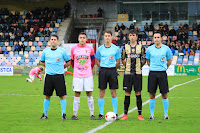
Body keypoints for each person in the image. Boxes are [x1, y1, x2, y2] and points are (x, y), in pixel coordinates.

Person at [39, 34, 71, 120]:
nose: (53, 41)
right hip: (49, 76)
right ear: (50, 41)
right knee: (47, 96)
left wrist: (62, 68)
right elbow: (41, 62)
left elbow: (68, 62)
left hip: (59, 76)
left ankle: (63, 114)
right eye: (52, 39)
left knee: (62, 96)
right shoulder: (45, 51)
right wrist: (48, 66)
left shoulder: (62, 51)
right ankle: (45, 114)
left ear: (57, 41)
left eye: (55, 39)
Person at [146, 31, 173, 121]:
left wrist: (165, 67)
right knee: (152, 94)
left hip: (162, 73)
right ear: (153, 39)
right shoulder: (149, 49)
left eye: (158, 37)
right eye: (155, 37)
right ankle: (152, 115)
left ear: (161, 39)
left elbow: (169, 60)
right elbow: (148, 61)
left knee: (164, 94)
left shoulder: (166, 49)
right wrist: (154, 67)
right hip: (152, 73)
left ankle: (166, 115)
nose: (156, 39)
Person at [120, 29, 146, 120]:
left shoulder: (141, 47)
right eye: (130, 35)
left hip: (138, 74)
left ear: (137, 36)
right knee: (127, 93)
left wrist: (139, 67)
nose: (132, 37)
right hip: (127, 74)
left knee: (138, 93)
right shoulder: (125, 47)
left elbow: (144, 59)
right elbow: (122, 59)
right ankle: (125, 114)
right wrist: (127, 66)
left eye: (134, 35)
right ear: (128, 37)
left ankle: (140, 114)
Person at [70, 32, 96, 120]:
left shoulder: (90, 49)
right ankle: (75, 114)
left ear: (86, 39)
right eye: (80, 37)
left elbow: (93, 60)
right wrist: (76, 69)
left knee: (89, 93)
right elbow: (72, 61)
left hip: (88, 74)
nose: (82, 39)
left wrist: (89, 68)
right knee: (77, 93)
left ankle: (92, 114)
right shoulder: (74, 49)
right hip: (77, 75)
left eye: (83, 38)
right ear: (78, 39)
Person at [96, 31, 121, 120]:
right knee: (101, 92)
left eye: (108, 36)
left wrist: (113, 68)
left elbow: (118, 61)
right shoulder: (100, 49)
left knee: (113, 92)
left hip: (112, 71)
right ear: (104, 37)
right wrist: (102, 68)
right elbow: (97, 60)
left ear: (111, 37)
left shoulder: (116, 49)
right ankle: (101, 114)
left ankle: (115, 113)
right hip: (103, 71)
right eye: (105, 36)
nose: (107, 37)